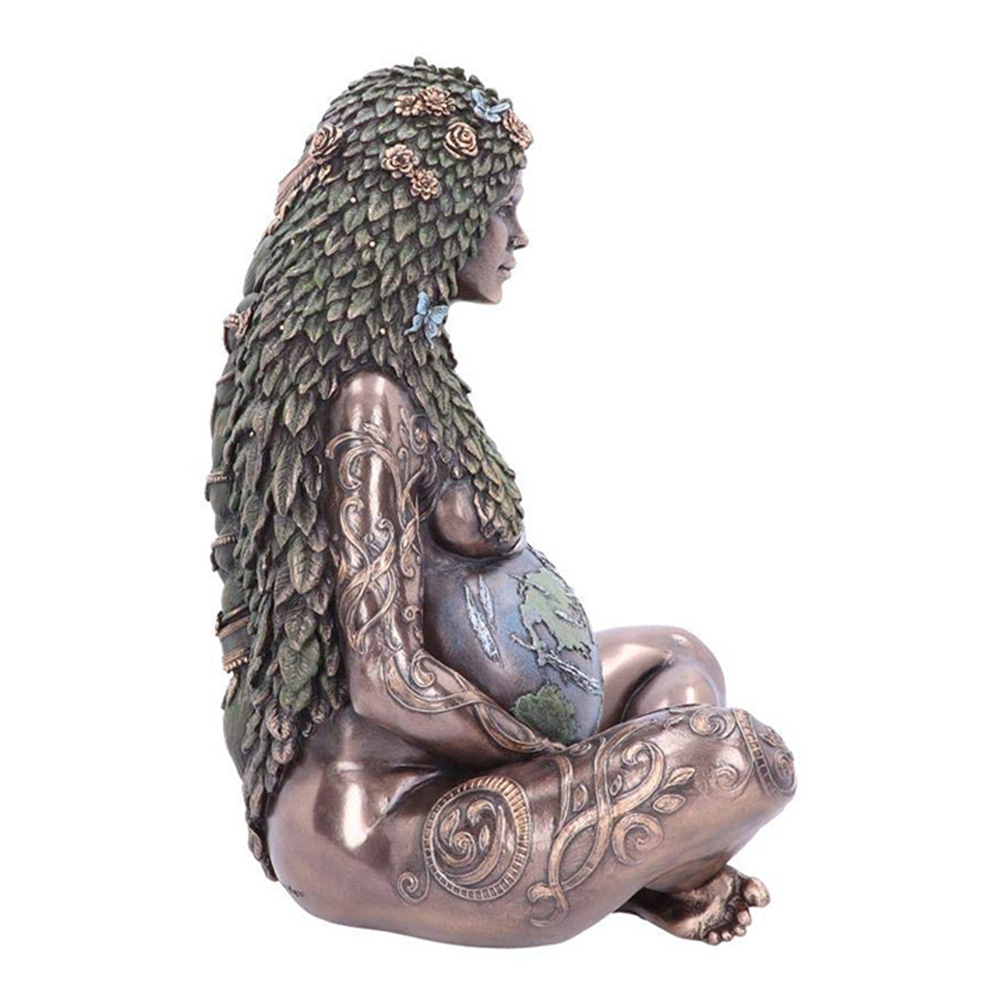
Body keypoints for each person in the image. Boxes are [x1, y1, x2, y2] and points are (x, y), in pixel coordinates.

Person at [207, 57, 795, 947]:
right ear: (435, 216)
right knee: (744, 761)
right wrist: (568, 761)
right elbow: (386, 680)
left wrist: (590, 763)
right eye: (501, 208)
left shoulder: (414, 371)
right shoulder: (367, 401)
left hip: (481, 757)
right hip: (384, 813)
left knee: (676, 659)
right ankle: (657, 877)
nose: (518, 236)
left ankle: (641, 870)